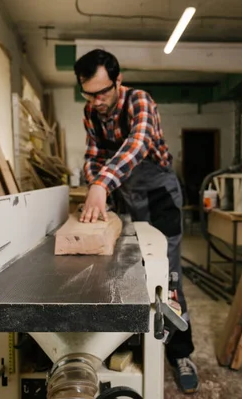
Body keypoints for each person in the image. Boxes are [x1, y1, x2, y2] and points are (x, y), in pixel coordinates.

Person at [74, 49, 199, 394]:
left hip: (160, 197)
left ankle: (181, 353)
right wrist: (94, 181)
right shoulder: (91, 113)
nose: (97, 101)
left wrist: (101, 184)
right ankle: (139, 345)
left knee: (168, 277)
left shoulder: (139, 101)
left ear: (119, 81)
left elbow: (137, 144)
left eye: (103, 92)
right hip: (127, 195)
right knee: (130, 272)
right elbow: (93, 155)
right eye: (89, 93)